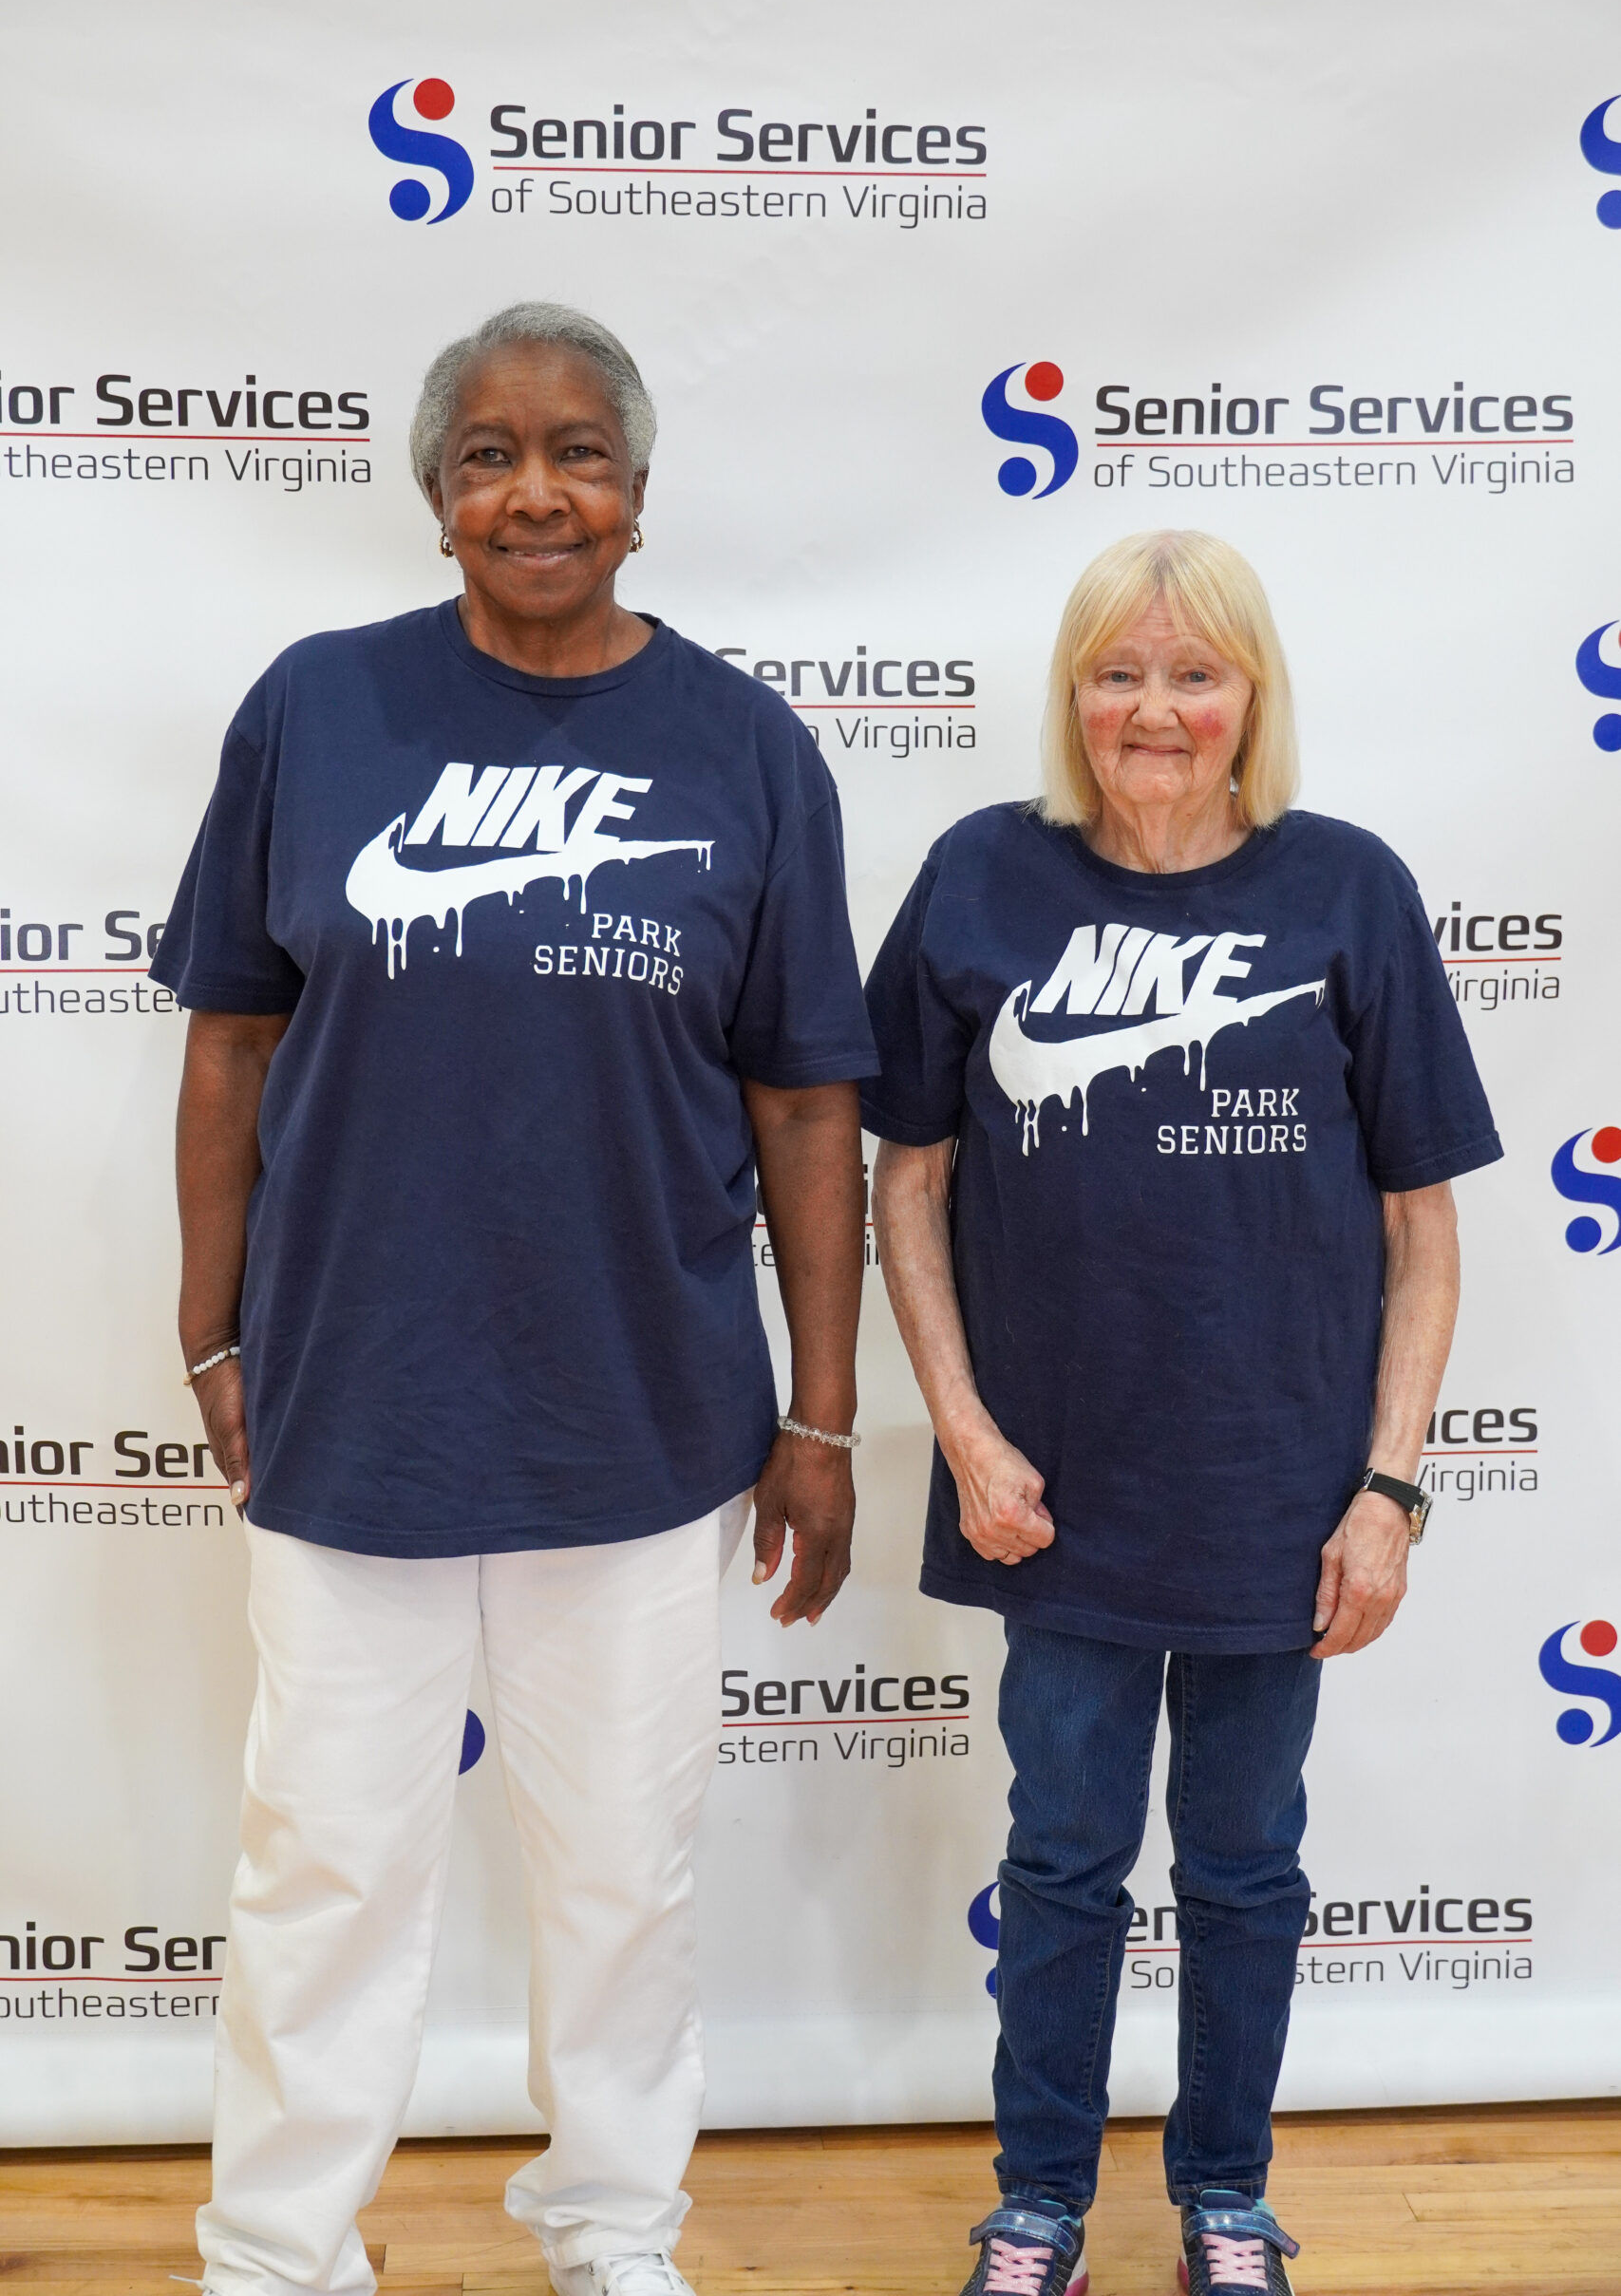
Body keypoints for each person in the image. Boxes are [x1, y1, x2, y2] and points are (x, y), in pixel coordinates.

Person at [152, 301, 877, 2296]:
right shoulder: (318, 708)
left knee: (622, 1875)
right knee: (325, 1868)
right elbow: (228, 1039)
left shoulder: (744, 745)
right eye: (486, 454)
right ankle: (279, 2249)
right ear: (435, 491)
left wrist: (819, 1410)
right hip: (353, 1395)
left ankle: (612, 2225)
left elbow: (810, 1098)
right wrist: (209, 1326)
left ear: (639, 496)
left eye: (574, 452)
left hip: (640, 1413)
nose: (532, 488)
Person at [860, 531, 1500, 2296]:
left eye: (1193, 674)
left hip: (1273, 1496)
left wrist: (1388, 1491)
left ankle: (1228, 2202)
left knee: (1244, 1868)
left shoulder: (1346, 892)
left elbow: (1423, 1229)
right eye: (1118, 673)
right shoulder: (982, 877)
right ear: (1075, 695)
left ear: (1250, 700)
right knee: (1062, 1858)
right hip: (1050, 1492)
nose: (1155, 708)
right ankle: (1037, 2209)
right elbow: (901, 1186)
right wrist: (969, 1435)